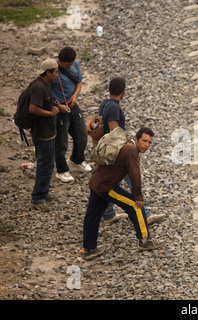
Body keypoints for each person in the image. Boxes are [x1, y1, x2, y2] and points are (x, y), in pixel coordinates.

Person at [83, 127, 161, 260]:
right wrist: (138, 196)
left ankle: (89, 249)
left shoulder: (126, 145)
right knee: (136, 206)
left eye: (149, 142)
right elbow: (135, 175)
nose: (147, 145)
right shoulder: (131, 150)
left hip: (95, 182)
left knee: (92, 216)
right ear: (136, 139)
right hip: (106, 187)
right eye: (144, 141)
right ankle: (144, 241)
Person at [96, 77, 164, 226]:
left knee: (112, 181)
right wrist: (126, 149)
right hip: (117, 151)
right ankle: (144, 214)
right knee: (132, 178)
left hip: (109, 152)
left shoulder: (104, 104)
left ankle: (108, 214)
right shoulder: (114, 107)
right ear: (123, 91)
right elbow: (114, 131)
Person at [28, 59, 70, 211]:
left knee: (48, 163)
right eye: (55, 72)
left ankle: (43, 192)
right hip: (42, 133)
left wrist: (58, 106)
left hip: (48, 132)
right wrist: (50, 113)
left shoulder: (44, 85)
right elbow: (33, 108)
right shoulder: (38, 87)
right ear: (48, 72)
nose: (57, 76)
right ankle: (37, 198)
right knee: (45, 164)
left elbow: (48, 101)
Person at [50, 46, 91, 183]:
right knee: (61, 142)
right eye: (67, 65)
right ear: (59, 61)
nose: (69, 67)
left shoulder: (75, 65)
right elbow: (46, 94)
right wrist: (58, 106)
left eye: (71, 64)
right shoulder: (52, 71)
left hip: (72, 105)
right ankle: (61, 170)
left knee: (82, 135)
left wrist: (75, 96)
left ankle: (77, 160)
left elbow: (79, 81)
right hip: (59, 109)